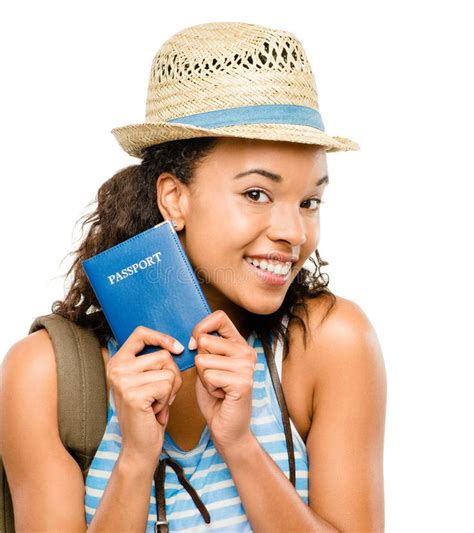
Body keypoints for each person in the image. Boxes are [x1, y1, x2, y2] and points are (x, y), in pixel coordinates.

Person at [0, 21, 386, 532]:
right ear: (173, 198)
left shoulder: (330, 345)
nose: (294, 232)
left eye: (310, 201)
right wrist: (136, 458)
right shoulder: (43, 377)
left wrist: (242, 446)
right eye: (256, 194)